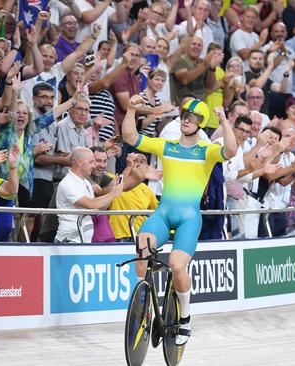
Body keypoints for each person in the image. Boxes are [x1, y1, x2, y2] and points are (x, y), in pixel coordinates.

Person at [123, 95, 237, 346]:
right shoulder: (167, 145)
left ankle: (185, 318)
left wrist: (225, 122)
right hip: (163, 214)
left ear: (200, 123)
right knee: (143, 245)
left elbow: (231, 150)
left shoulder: (206, 152)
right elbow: (131, 138)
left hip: (189, 218)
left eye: (193, 118)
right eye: (184, 116)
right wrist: (131, 109)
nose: (186, 121)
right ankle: (145, 303)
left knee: (176, 265)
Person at [55, 147, 124, 243]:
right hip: (70, 240)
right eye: (91, 162)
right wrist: (113, 193)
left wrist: (113, 192)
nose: (94, 165)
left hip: (84, 239)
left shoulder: (86, 182)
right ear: (79, 162)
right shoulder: (68, 183)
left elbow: (98, 209)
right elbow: (91, 204)